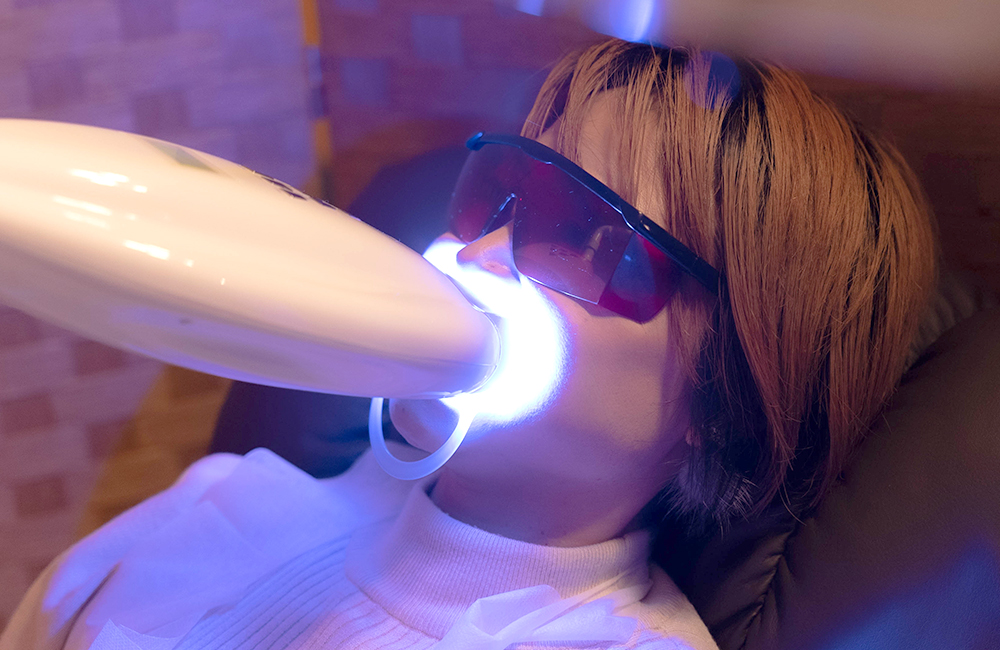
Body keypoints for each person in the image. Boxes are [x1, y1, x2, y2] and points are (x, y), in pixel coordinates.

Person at [1, 39, 937, 650]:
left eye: (578, 230)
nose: (475, 254)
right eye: (498, 193)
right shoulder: (227, 502)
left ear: (730, 391)